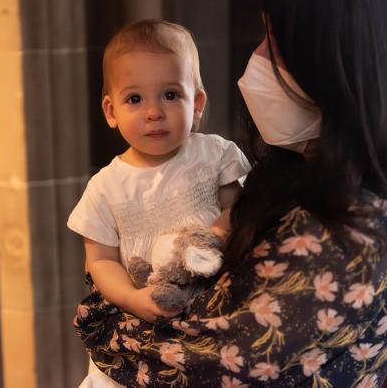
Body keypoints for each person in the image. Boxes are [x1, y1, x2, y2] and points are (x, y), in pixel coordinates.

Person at [74, 0, 387, 386]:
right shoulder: (309, 179)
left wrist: (105, 309)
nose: (257, 56)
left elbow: (192, 360)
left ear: (334, 61)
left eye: (273, 39)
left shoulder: (352, 226)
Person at [68, 19, 251, 387]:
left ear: (196, 103)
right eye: (135, 99)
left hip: (209, 313)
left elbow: (240, 209)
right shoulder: (105, 187)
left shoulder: (215, 155)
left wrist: (211, 236)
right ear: (111, 111)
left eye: (170, 95)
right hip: (142, 322)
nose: (153, 112)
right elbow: (100, 261)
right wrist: (134, 299)